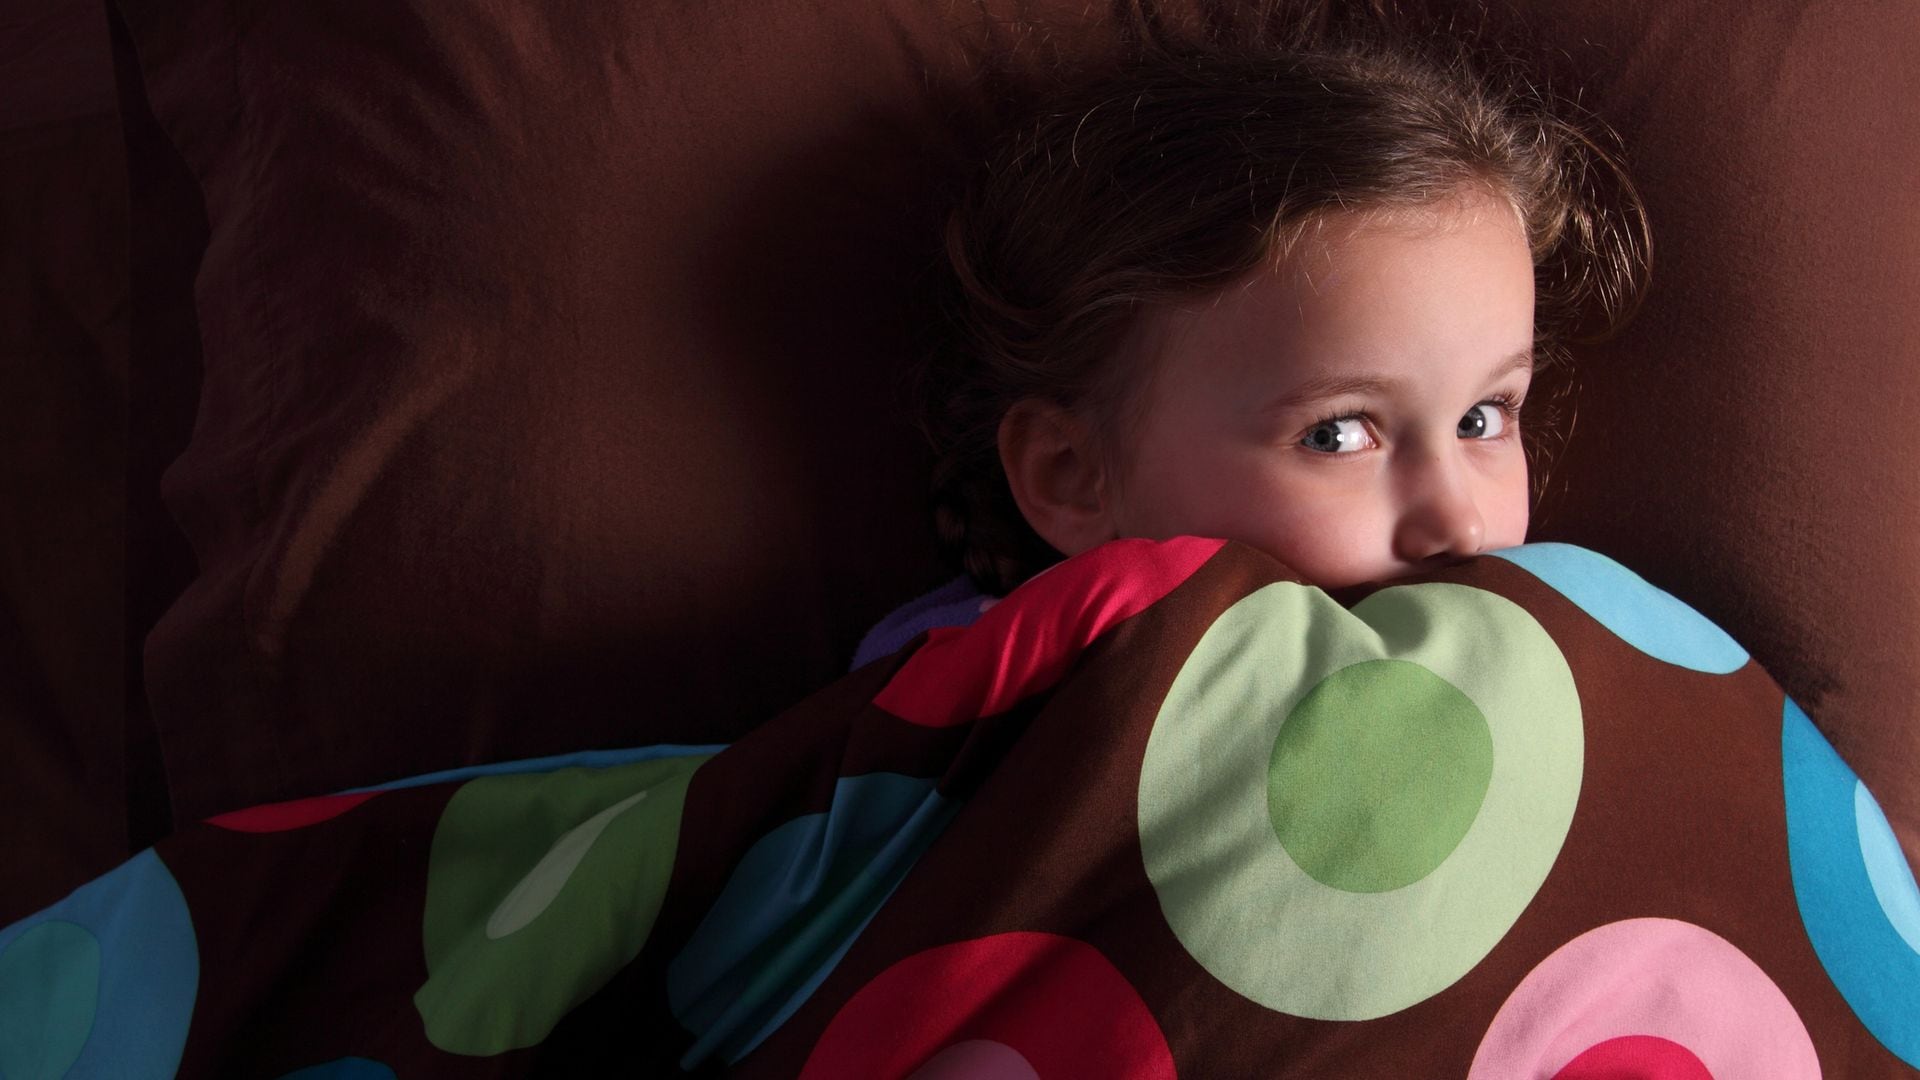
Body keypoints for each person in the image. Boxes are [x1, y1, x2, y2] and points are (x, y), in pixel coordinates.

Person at [856, 11, 1650, 668]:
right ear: (1073, 476)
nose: (1459, 525)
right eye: (1337, 435)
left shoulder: (1561, 645)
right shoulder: (969, 704)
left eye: (1482, 418)